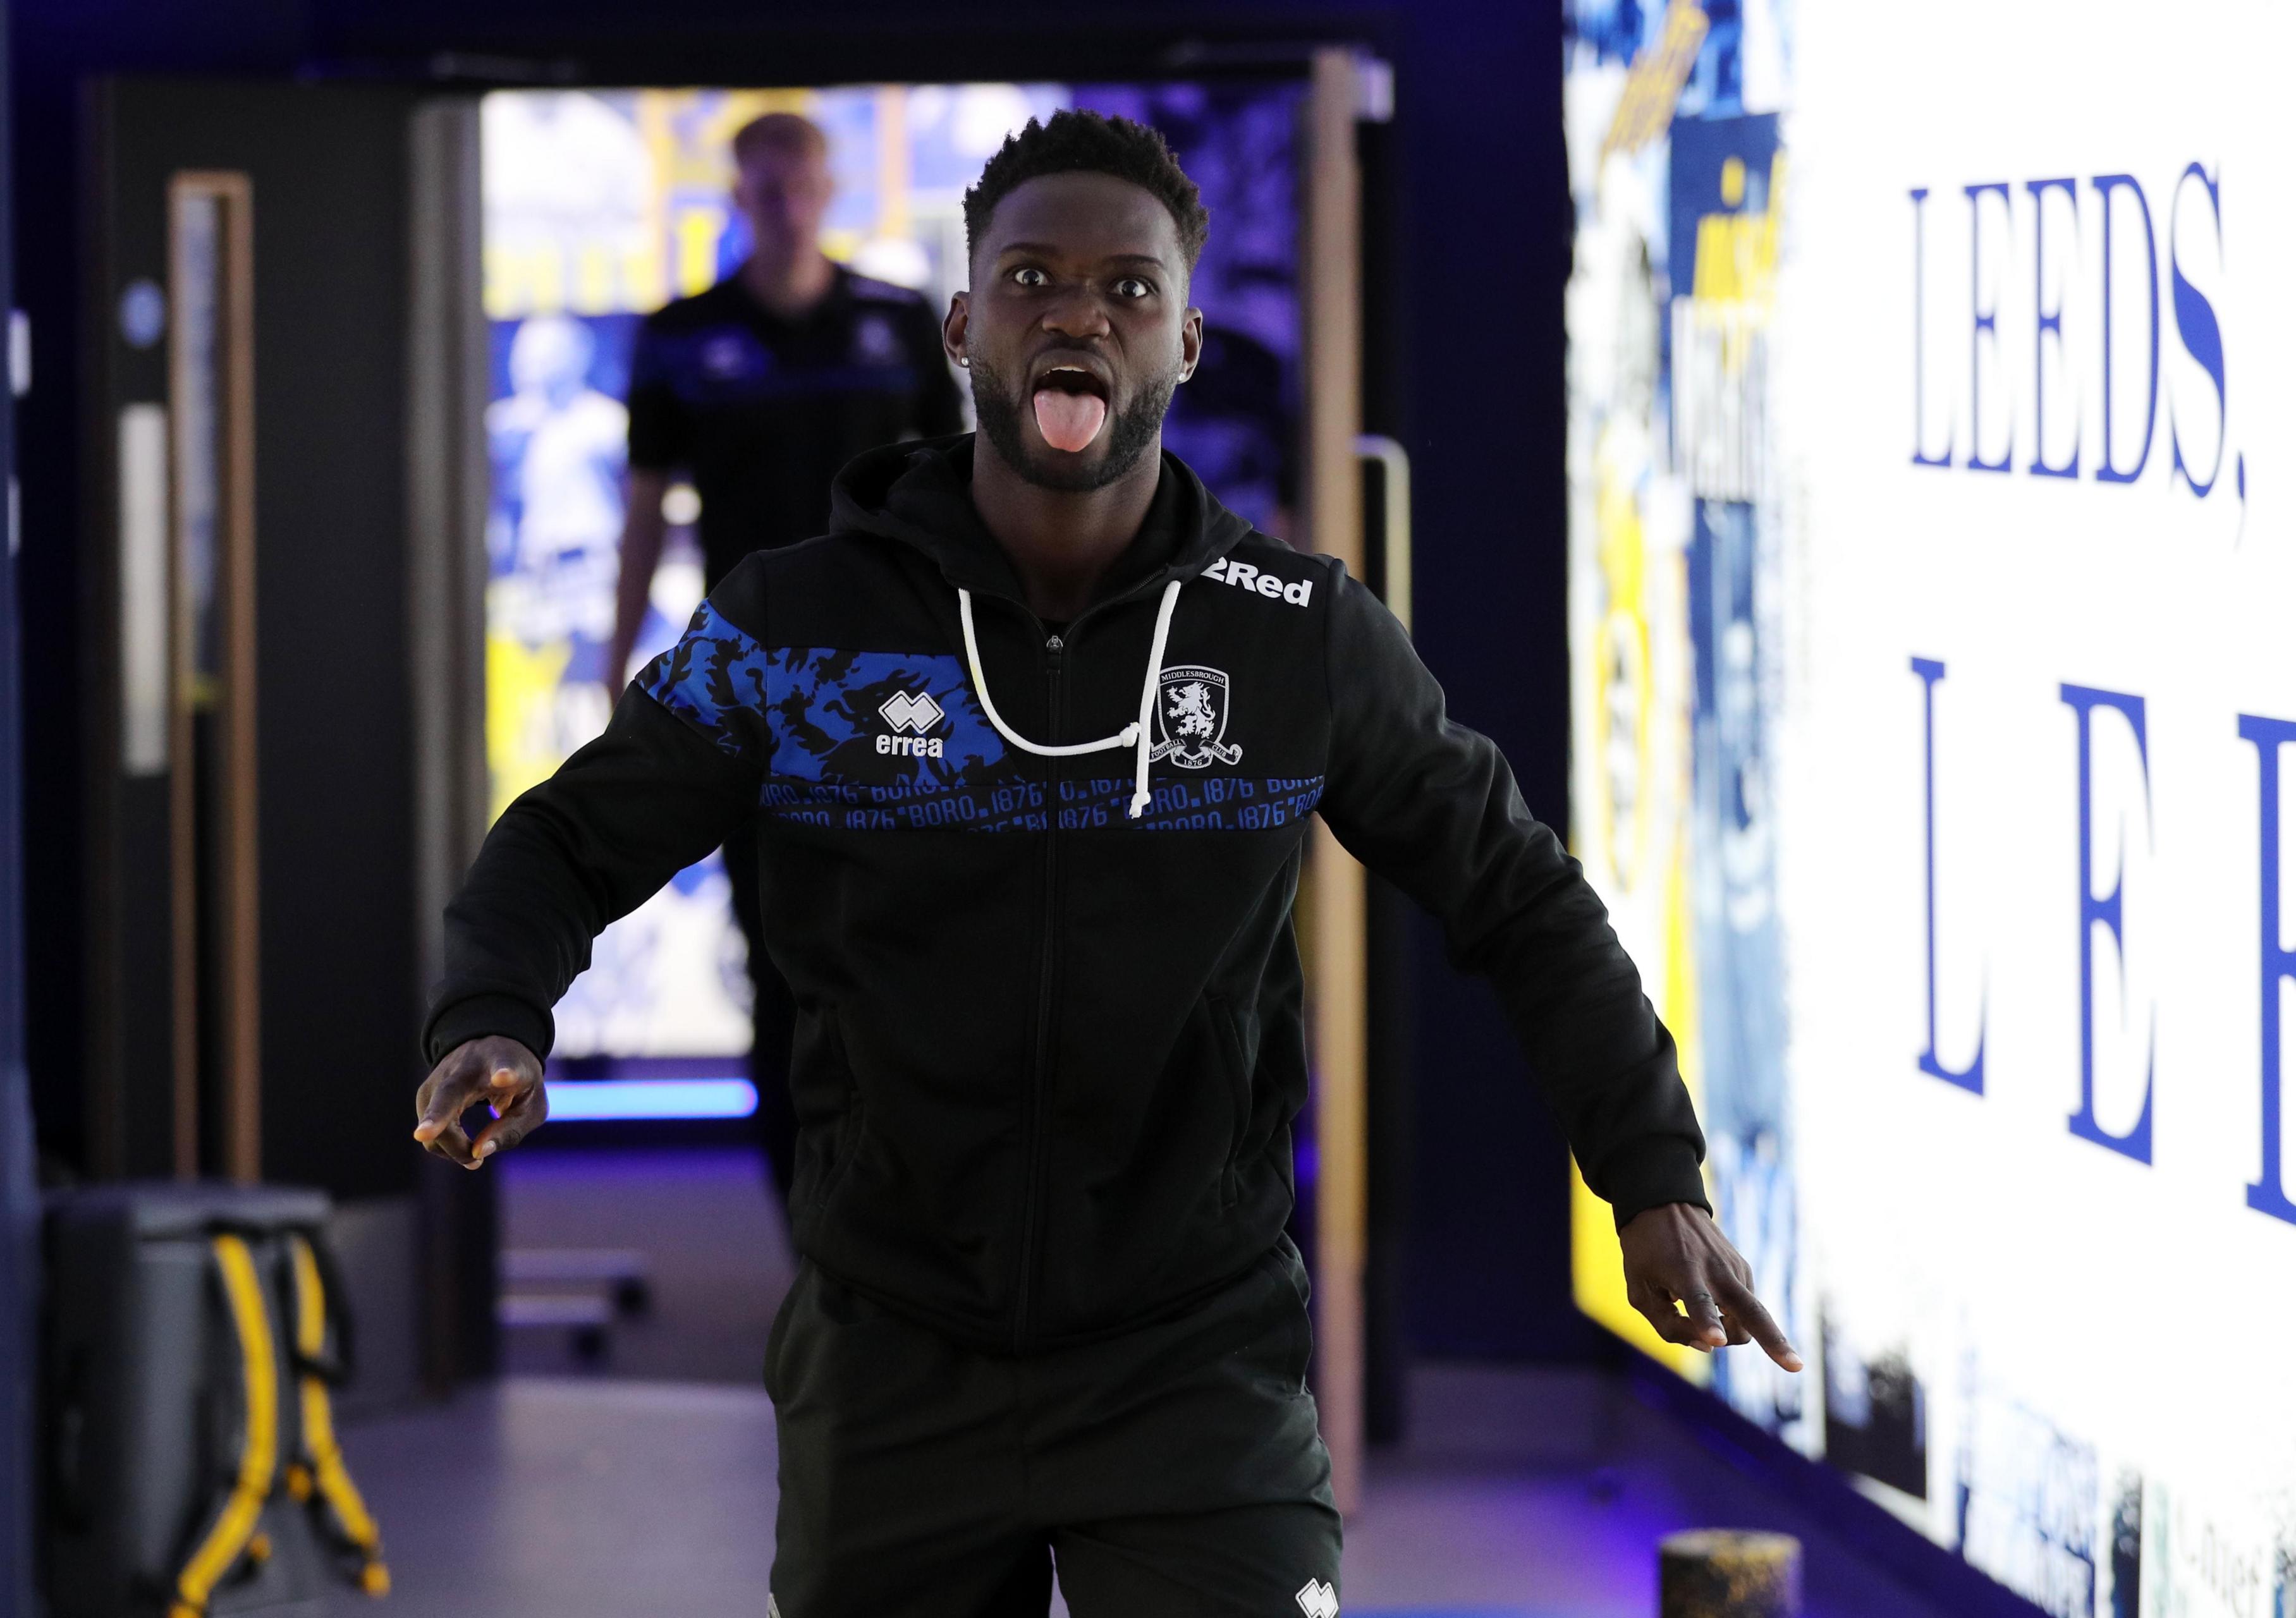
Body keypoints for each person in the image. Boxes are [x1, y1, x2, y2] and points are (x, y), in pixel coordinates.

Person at [418, 110, 1798, 1618]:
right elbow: (568, 833)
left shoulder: (1292, 635)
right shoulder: (797, 625)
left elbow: (1517, 894)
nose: (1079, 313)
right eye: (1032, 280)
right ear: (963, 325)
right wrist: (494, 1009)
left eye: (1128, 289)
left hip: (1192, 1361)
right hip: (894, 1366)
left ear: (1187, 341)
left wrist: (1651, 1166)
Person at [607, 110, 966, 1199]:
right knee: (778, 954)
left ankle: (918, 1202)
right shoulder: (681, 335)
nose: (784, 202)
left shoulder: (897, 324)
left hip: (897, 683)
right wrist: (619, 669)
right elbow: (643, 512)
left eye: (800, 182)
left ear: (829, 188)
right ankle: (810, 1220)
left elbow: (956, 496)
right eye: (763, 185)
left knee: (914, 942)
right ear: (738, 194)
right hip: (753, 691)